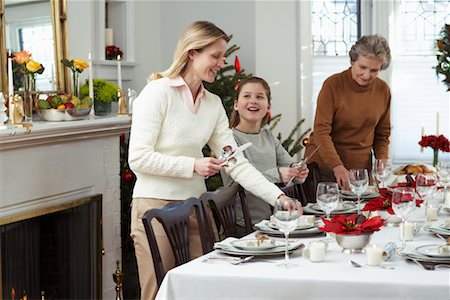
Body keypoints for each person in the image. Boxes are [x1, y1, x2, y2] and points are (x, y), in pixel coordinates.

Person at [128, 21, 292, 300]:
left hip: (194, 208)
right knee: (158, 292)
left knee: (206, 287)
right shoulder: (157, 93)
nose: (221, 62)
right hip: (154, 206)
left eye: (223, 56)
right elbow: (139, 159)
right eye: (215, 56)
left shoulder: (212, 104)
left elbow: (235, 162)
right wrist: (193, 165)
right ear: (193, 53)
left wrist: (278, 197)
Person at [305, 34, 391, 190]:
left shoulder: (382, 90)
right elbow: (321, 131)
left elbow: (382, 134)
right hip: (324, 168)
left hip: (360, 172)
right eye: (362, 67)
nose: (366, 75)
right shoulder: (333, 85)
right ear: (352, 61)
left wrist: (381, 161)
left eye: (374, 70)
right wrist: (337, 166)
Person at [222, 76, 309, 229]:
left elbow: (289, 167)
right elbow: (238, 182)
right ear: (236, 104)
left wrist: (298, 171)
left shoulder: (268, 137)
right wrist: (278, 174)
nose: (253, 101)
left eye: (259, 97)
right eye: (247, 96)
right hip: (244, 225)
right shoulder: (229, 139)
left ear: (268, 106)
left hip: (274, 221)